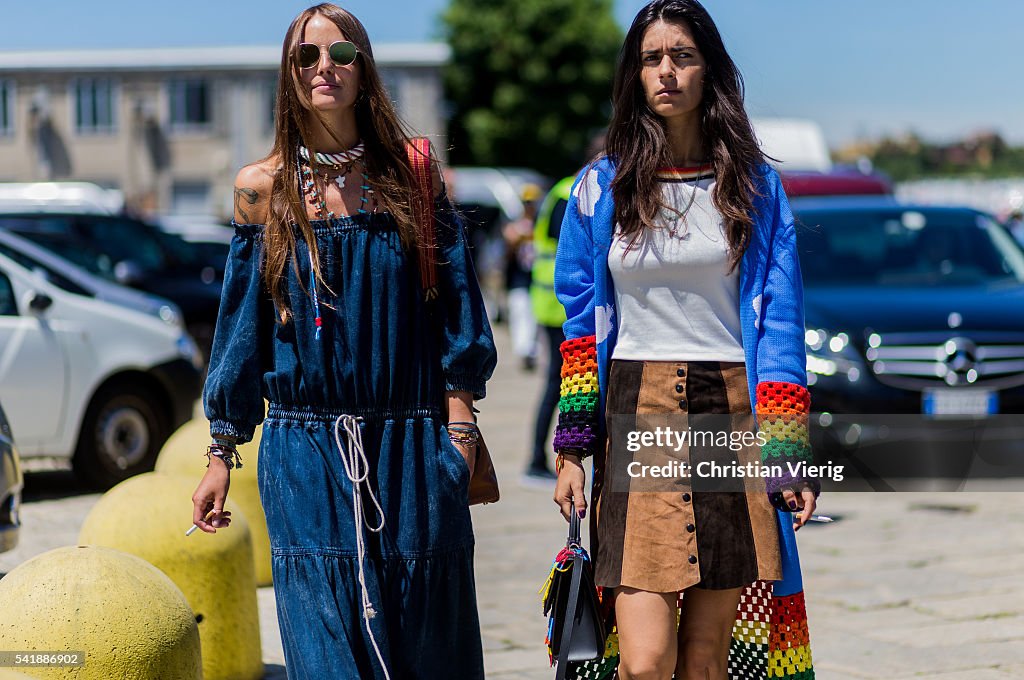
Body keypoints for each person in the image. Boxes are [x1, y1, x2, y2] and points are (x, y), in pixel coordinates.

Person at [189, 5, 496, 679]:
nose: (324, 68)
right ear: (288, 74)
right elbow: (244, 333)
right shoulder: (260, 190)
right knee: (326, 651)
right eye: (306, 57)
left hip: (413, 448)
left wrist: (459, 436)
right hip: (303, 455)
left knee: (429, 651)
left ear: (364, 69)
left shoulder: (412, 177)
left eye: (341, 54)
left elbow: (457, 313)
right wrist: (221, 451)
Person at [551, 2, 819, 679]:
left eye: (682, 56)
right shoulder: (597, 188)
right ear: (634, 74)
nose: (666, 71)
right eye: (651, 58)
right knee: (644, 662)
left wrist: (787, 451)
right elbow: (579, 325)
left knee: (705, 660)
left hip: (729, 413)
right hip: (637, 411)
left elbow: (780, 321)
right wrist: (573, 448)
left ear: (710, 70)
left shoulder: (756, 187)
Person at [524, 177, 574, 483]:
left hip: (556, 304)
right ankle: (536, 459)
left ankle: (539, 458)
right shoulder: (571, 193)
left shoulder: (562, 191)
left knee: (556, 384)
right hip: (560, 308)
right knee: (558, 384)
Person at [503, 184, 541, 371]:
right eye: (527, 203)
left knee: (533, 318)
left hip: (536, 279)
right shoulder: (514, 225)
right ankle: (523, 351)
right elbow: (508, 244)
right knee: (520, 314)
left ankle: (531, 352)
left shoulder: (541, 225)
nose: (529, 207)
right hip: (518, 278)